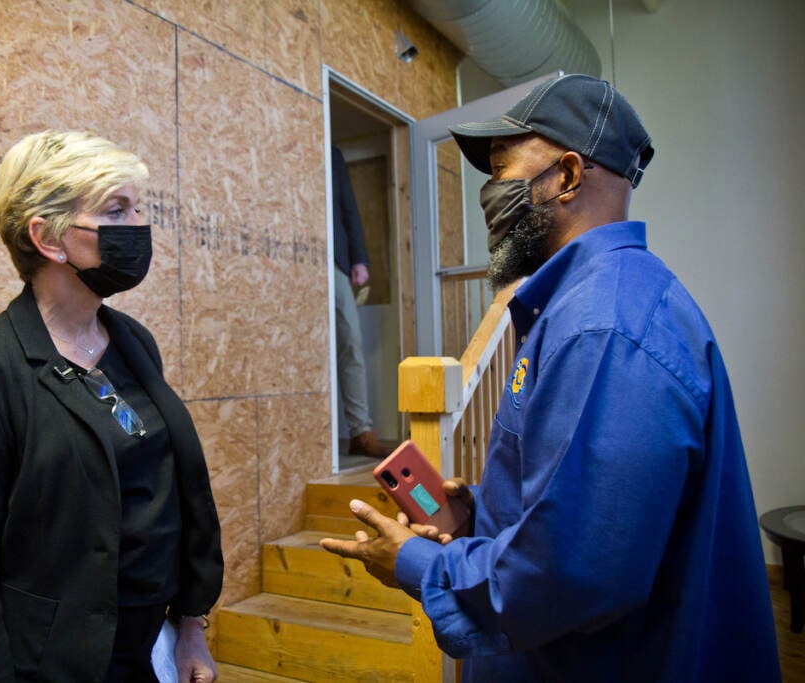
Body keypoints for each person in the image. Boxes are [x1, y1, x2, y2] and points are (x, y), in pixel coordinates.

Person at [321, 74, 781, 681]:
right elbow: (581, 508)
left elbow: (576, 572)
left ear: (566, 176)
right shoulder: (578, 308)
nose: (490, 192)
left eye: (502, 168)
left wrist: (414, 564)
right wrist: (480, 514)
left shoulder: (606, 327)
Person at [0, 131, 224, 682]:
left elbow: (167, 499)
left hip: (152, 650)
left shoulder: (133, 341)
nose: (139, 226)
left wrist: (189, 628)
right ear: (48, 238)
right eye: (117, 210)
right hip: (57, 666)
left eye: (140, 208)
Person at [331, 145, 391, 458]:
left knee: (350, 342)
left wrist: (359, 259)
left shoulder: (332, 154)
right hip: (292, 256)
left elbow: (347, 207)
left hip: (334, 260)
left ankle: (360, 431)